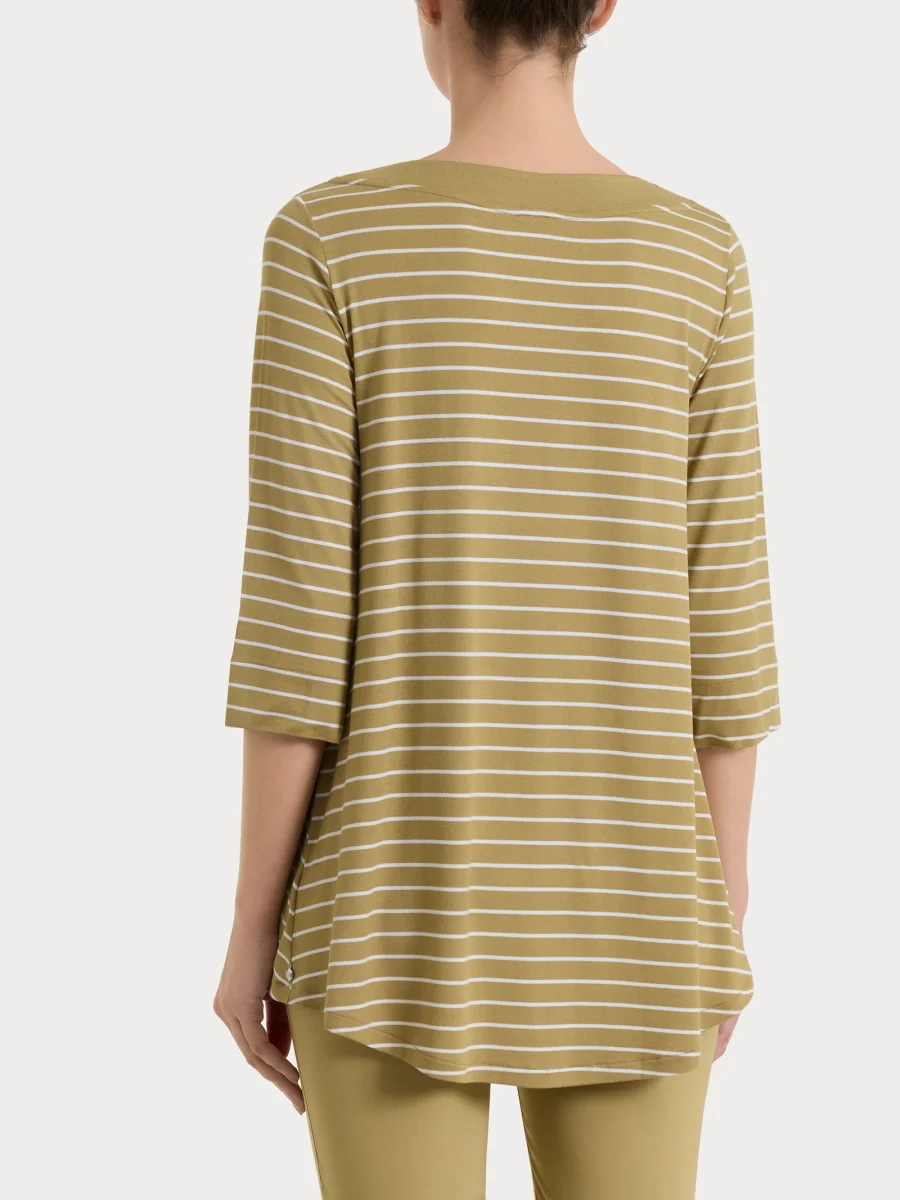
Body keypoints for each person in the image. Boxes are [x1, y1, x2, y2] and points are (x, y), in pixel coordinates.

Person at [214, 1, 780, 1196]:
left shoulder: (330, 238)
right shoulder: (698, 255)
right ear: (602, 6)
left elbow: (295, 629)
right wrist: (719, 918)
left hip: (386, 906)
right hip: (640, 906)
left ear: (431, 2)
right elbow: (728, 633)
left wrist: (252, 930)